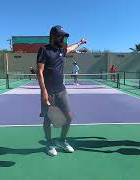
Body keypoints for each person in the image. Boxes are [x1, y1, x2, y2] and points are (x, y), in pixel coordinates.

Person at [37, 25, 86, 156]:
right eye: (61, 36)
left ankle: (62, 140)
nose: (63, 39)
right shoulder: (43, 50)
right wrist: (44, 92)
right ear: (53, 36)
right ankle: (49, 143)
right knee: (48, 119)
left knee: (69, 117)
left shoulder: (61, 50)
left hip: (61, 90)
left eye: (64, 36)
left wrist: (80, 43)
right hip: (49, 91)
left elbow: (71, 48)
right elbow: (40, 72)